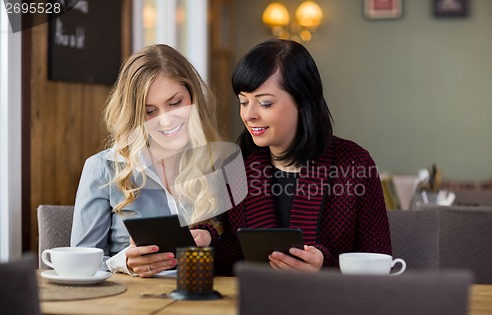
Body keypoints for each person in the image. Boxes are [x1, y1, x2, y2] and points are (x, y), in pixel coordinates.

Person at [214, 38, 392, 275]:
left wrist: (323, 266)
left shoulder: (355, 164)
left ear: (302, 101)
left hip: (331, 308)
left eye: (265, 103)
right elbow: (225, 264)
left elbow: (378, 265)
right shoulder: (236, 172)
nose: (249, 115)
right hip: (254, 306)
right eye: (243, 102)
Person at [70, 44, 229, 278]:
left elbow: (237, 256)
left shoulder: (219, 164)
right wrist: (123, 262)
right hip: (131, 306)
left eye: (175, 103)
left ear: (193, 96)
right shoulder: (104, 168)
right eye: (150, 111)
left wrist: (211, 241)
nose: (166, 121)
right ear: (134, 114)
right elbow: (78, 264)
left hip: (203, 303)